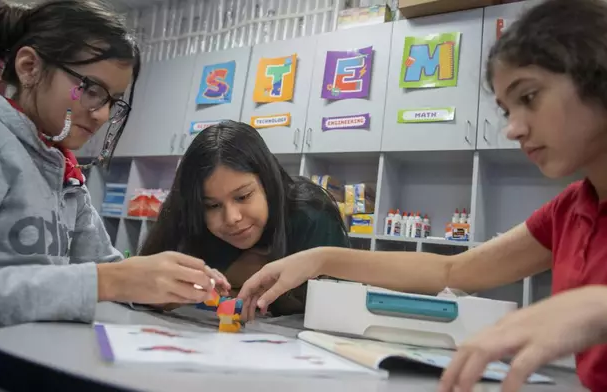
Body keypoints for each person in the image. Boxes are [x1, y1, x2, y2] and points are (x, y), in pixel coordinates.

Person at [237, 0, 607, 390]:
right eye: (505, 110)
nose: (512, 129)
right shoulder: (569, 211)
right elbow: (452, 271)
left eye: (528, 97)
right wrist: (320, 258)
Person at [0, 1, 228, 388]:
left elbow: (104, 265)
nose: (102, 114)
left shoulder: (61, 164)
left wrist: (160, 285)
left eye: (113, 100)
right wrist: (109, 282)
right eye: (90, 89)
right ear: (29, 67)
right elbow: (103, 278)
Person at [139, 120, 349, 316]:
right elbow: (142, 287)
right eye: (212, 205)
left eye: (243, 196)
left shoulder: (311, 215)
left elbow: (336, 310)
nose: (232, 218)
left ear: (267, 182)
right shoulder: (187, 212)